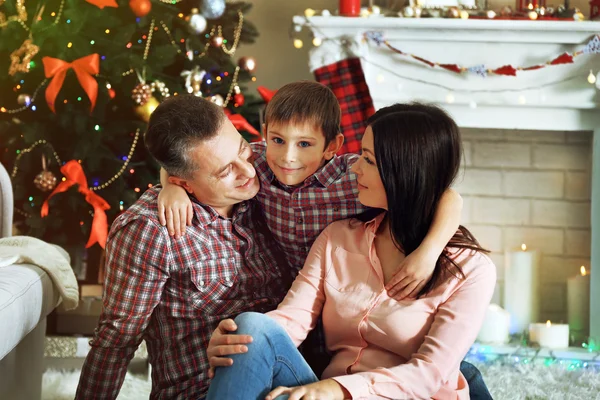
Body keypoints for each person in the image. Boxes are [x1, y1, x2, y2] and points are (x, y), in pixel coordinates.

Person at [158, 81, 464, 375]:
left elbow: (446, 194)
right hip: (289, 302)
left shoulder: (353, 175)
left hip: (339, 303)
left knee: (455, 372)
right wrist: (169, 187)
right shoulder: (257, 166)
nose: (288, 156)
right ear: (265, 135)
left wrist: (429, 251)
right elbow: (190, 161)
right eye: (278, 140)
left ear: (332, 146)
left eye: (305, 144)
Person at [205, 103, 497, 400]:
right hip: (326, 390)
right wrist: (241, 339)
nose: (355, 167)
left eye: (368, 160)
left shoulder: (470, 270)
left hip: (402, 395)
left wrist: (338, 389)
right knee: (251, 326)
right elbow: (293, 318)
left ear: (405, 170)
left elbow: (429, 375)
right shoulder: (338, 238)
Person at [75, 95, 291, 399]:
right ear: (185, 183)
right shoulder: (150, 230)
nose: (248, 171)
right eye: (226, 171)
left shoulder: (271, 177)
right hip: (202, 391)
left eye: (243, 150)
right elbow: (117, 340)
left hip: (291, 378)